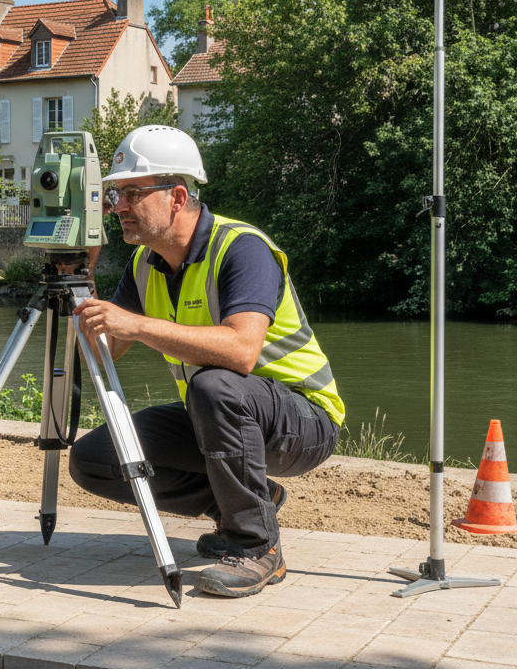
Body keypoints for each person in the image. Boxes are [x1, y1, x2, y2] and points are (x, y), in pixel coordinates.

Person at [71, 125, 345, 598]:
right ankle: (251, 504)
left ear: (177, 196)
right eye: (115, 194)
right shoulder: (144, 264)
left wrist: (135, 325)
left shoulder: (241, 248)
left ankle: (258, 546)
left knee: (214, 385)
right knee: (94, 458)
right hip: (218, 415)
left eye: (131, 193)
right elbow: (101, 355)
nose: (117, 206)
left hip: (303, 419)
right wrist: (83, 276)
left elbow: (242, 351)